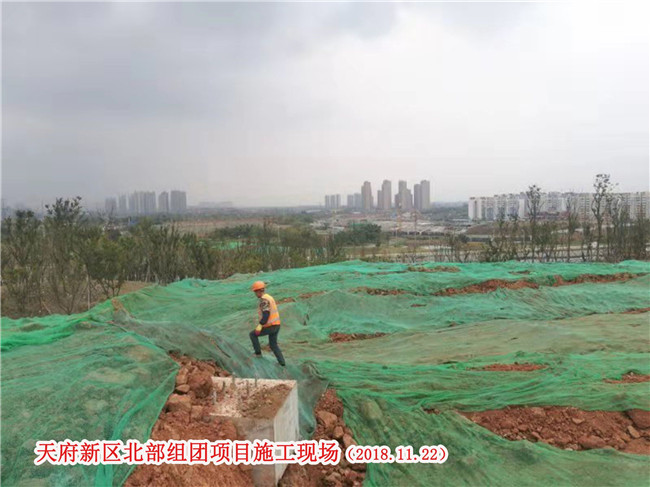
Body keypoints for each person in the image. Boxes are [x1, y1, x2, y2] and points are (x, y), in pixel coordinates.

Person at [249, 281, 285, 366]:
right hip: (277, 324)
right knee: (273, 345)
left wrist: (260, 325)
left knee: (252, 335)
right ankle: (282, 363)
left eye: (255, 292)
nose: (255, 294)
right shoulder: (269, 297)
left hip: (270, 326)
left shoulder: (264, 300)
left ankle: (258, 354)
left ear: (258, 291)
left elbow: (266, 314)